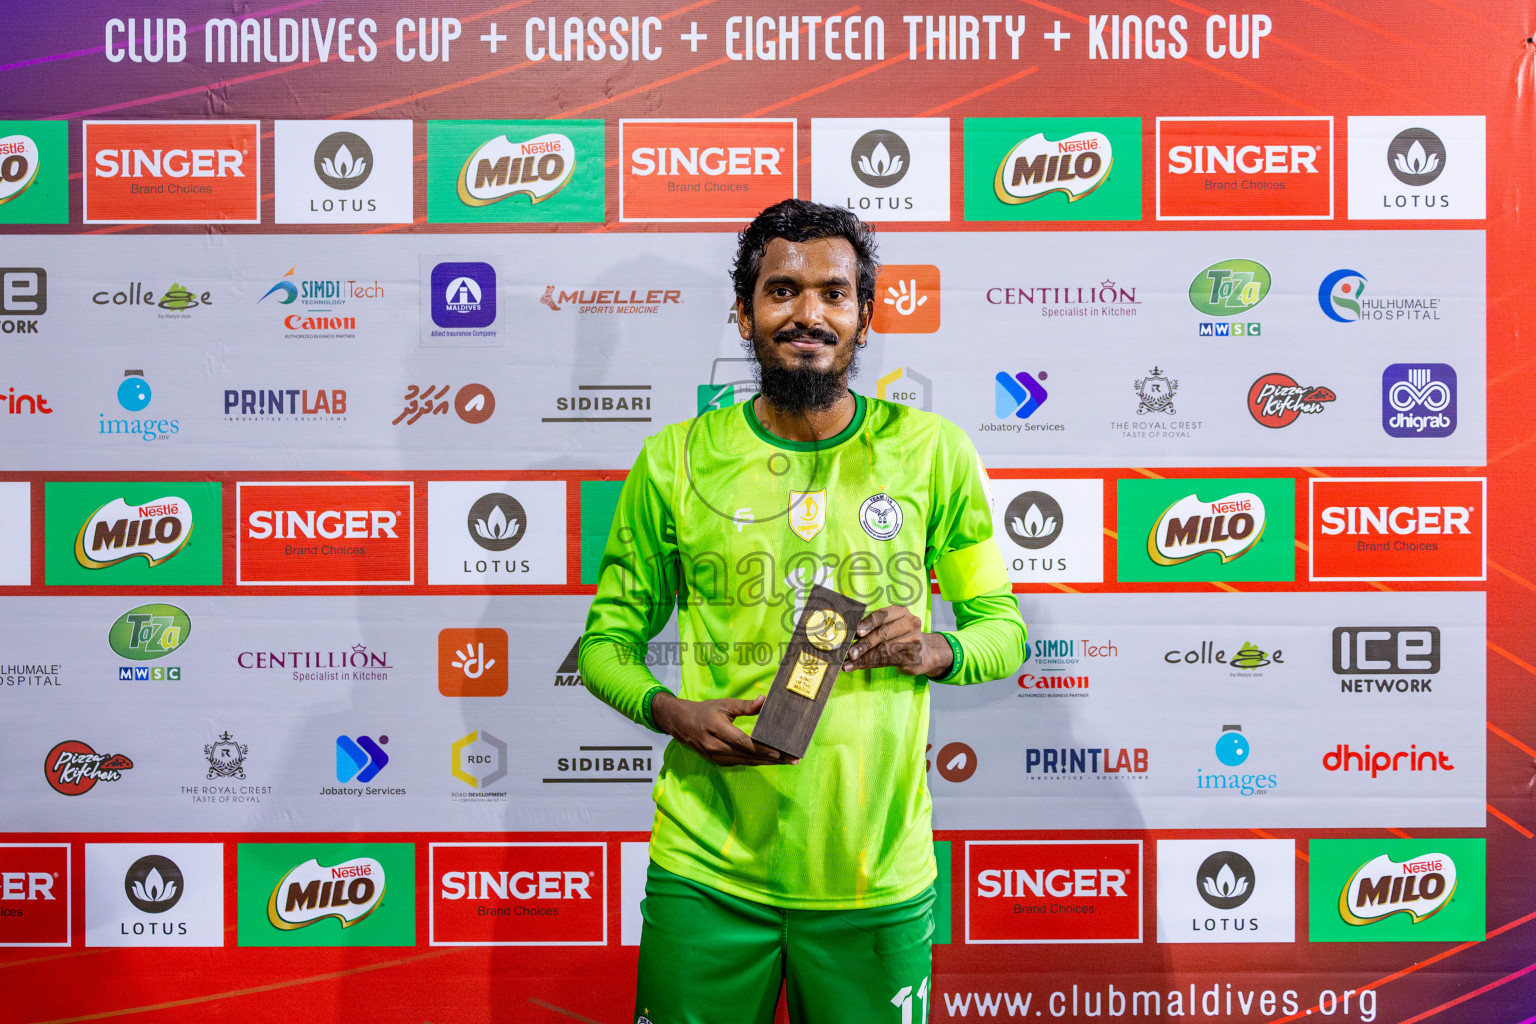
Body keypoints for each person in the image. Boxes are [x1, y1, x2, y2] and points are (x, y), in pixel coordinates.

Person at [579, 199, 1027, 1024]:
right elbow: (605, 644)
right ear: (743, 311)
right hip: (707, 869)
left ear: (866, 314)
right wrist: (669, 709)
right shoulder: (673, 460)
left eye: (834, 294)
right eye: (782, 291)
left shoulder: (933, 451)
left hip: (874, 876)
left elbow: (1002, 628)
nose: (808, 314)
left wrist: (938, 649)